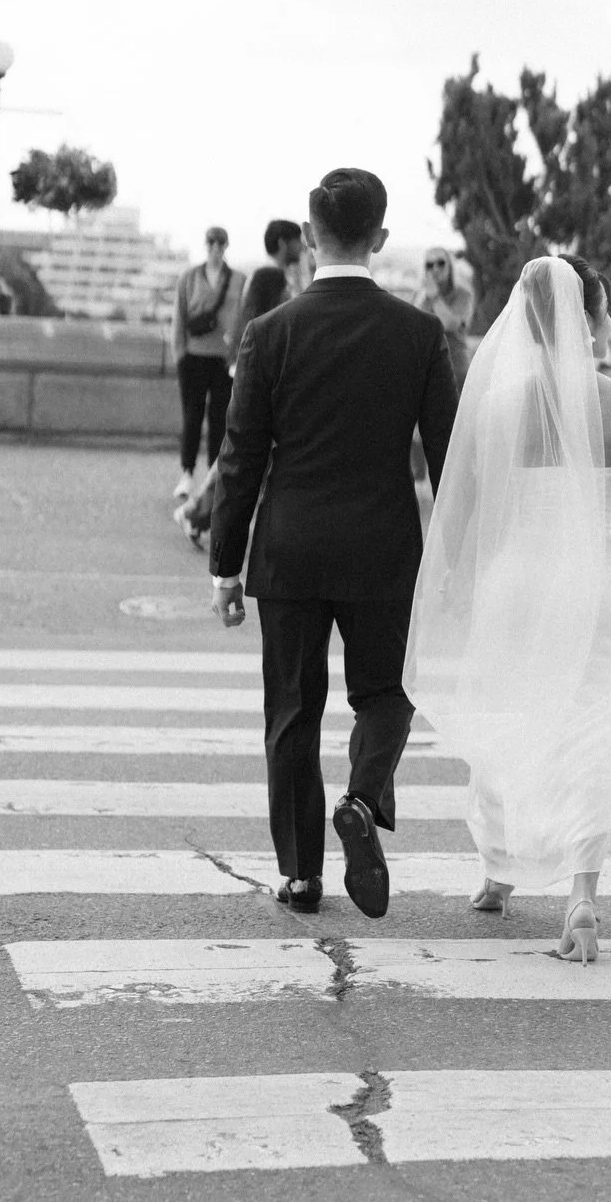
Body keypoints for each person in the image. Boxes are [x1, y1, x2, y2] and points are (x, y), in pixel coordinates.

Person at [405, 255, 611, 964]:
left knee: (510, 716)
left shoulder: (496, 402)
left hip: (516, 580)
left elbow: (464, 503)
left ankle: (497, 873)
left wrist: (454, 579)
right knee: (590, 729)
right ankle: (582, 893)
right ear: (592, 320)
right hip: (595, 584)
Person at [209, 168, 458, 917]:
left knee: (292, 709)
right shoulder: (418, 333)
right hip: (383, 548)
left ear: (310, 238)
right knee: (388, 693)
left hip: (289, 547)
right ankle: (361, 798)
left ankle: (299, 875)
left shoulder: (268, 333)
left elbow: (240, 457)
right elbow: (448, 460)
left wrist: (225, 566)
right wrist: (456, 560)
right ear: (379, 238)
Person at [175, 220, 304, 549]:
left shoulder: (265, 276)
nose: (302, 247)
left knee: (243, 458)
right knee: (244, 459)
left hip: (257, 378)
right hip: (263, 383)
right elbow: (271, 327)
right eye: (296, 241)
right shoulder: (271, 277)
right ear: (281, 242)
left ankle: (199, 513)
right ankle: (197, 512)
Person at [171, 226, 246, 504]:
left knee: (220, 418)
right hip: (194, 355)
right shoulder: (189, 277)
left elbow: (244, 318)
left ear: (226, 246)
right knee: (192, 415)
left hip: (224, 358)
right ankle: (187, 473)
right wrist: (179, 353)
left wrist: (238, 354)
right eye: (211, 242)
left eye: (220, 243)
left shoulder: (238, 279)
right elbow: (179, 315)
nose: (216, 247)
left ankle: (213, 478)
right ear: (205, 245)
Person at [414, 247, 475, 390]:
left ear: (450, 266)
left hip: (454, 367)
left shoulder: (463, 294)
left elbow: (449, 324)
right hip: (427, 369)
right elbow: (415, 326)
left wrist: (435, 297)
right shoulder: (421, 295)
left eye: (441, 263)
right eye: (429, 265)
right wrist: (424, 296)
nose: (435, 269)